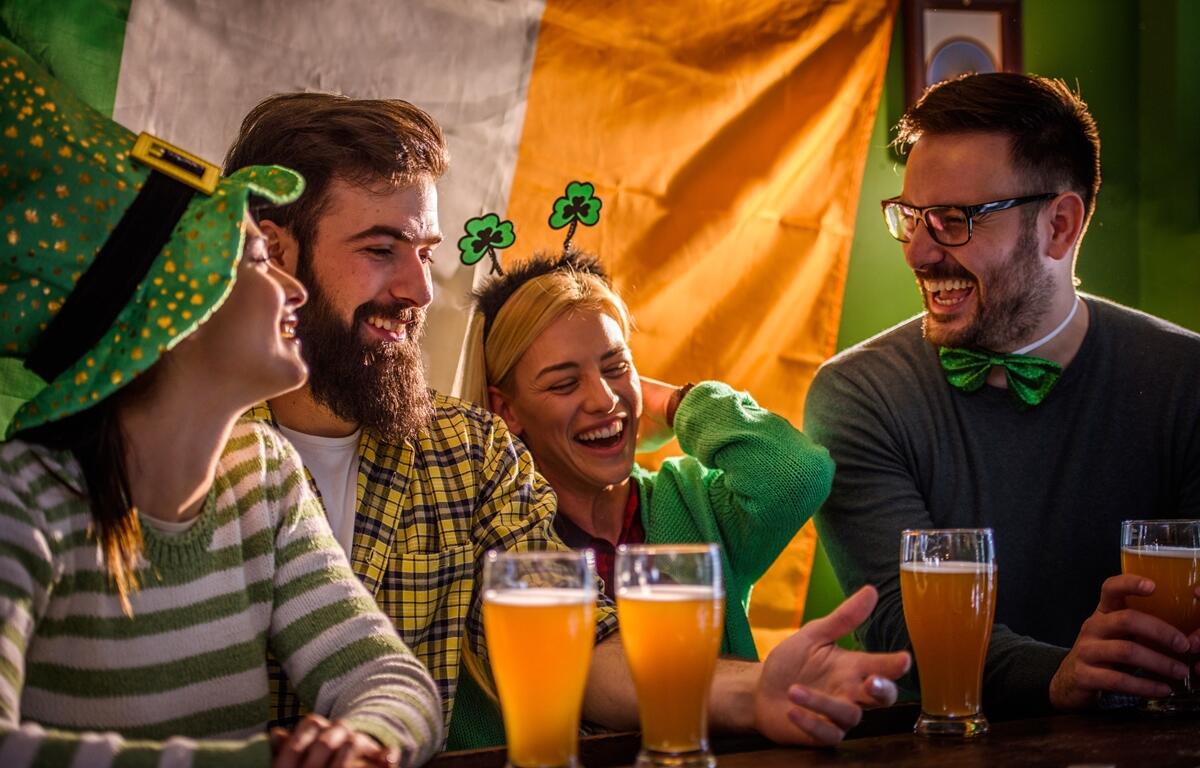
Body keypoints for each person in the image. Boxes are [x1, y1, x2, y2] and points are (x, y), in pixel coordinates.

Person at [224, 92, 911, 751]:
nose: (421, 289)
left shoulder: (470, 451)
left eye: (425, 252)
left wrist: (755, 693)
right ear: (273, 251)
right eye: (381, 250)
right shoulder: (187, 449)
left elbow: (585, 652)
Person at [0, 38, 442, 767]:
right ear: (171, 310)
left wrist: (360, 743)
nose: (293, 288)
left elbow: (389, 677)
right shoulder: (23, 500)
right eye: (258, 261)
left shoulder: (262, 476)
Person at [804, 72, 1200, 716]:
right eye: (911, 217)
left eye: (955, 221)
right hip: (938, 747)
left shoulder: (1187, 380)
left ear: (1060, 227)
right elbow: (899, 618)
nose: (919, 253)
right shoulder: (858, 394)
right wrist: (1060, 674)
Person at [473, 251, 834, 660]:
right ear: (508, 411)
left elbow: (799, 474)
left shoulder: (693, 504)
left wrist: (673, 403)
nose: (604, 399)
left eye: (616, 367)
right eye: (565, 383)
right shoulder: (496, 533)